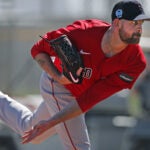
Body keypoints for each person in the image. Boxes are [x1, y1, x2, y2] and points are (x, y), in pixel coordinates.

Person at [0, 0, 150, 150]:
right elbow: (38, 50)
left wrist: (51, 122)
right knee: (79, 147)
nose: (139, 29)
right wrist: (58, 76)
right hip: (58, 85)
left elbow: (90, 98)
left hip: (78, 97)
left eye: (141, 23)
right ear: (117, 23)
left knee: (31, 130)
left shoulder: (135, 62)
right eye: (133, 23)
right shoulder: (83, 32)